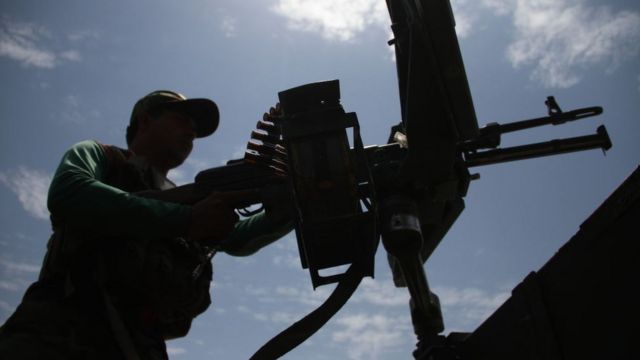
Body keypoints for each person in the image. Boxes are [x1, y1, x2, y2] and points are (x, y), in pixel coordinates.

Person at [0, 90, 292, 359]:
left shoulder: (187, 197)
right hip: (55, 336)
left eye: (195, 129)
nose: (191, 133)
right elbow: (70, 192)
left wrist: (294, 206)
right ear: (144, 120)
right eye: (181, 120)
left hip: (138, 346)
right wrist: (185, 218)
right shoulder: (101, 156)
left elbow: (235, 238)